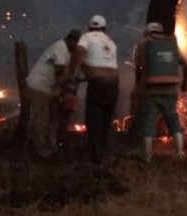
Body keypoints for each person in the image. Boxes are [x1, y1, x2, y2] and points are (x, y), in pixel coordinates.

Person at [134, 22, 187, 162]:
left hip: (150, 91)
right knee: (173, 120)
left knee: (148, 122)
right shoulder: (171, 44)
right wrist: (184, 83)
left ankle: (147, 157)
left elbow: (139, 67)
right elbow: (186, 65)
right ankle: (179, 154)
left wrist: (137, 85)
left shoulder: (144, 44)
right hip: (170, 90)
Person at [66, 15, 119, 163]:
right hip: (113, 83)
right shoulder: (111, 42)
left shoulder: (87, 37)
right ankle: (107, 152)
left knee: (93, 119)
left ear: (89, 27)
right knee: (106, 119)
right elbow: (104, 65)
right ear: (104, 28)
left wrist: (71, 74)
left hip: (97, 83)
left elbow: (78, 53)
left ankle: (95, 156)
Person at [26, 29, 82, 159]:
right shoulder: (60, 48)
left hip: (50, 89)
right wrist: (72, 82)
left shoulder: (67, 51)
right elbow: (60, 76)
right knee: (41, 119)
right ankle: (41, 152)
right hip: (39, 87)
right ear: (71, 40)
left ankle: (51, 148)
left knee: (53, 118)